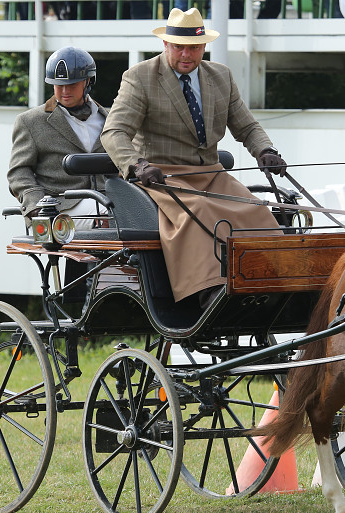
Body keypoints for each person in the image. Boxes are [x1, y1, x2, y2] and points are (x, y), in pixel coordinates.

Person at [101, 7, 288, 308]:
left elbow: (247, 126)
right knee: (198, 209)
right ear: (166, 44)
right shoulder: (140, 77)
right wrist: (138, 165)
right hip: (162, 177)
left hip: (213, 173)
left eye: (194, 47)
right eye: (179, 47)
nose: (186, 55)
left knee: (256, 208)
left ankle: (274, 279)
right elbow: (114, 133)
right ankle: (210, 290)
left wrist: (265, 150)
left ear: (204, 46)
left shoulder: (221, 76)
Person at [8, 46, 108, 230]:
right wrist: (38, 206)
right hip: (59, 206)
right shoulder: (30, 121)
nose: (63, 91)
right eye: (58, 85)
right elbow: (18, 173)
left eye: (71, 85)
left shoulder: (110, 119)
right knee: (108, 216)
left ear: (88, 82)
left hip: (108, 200)